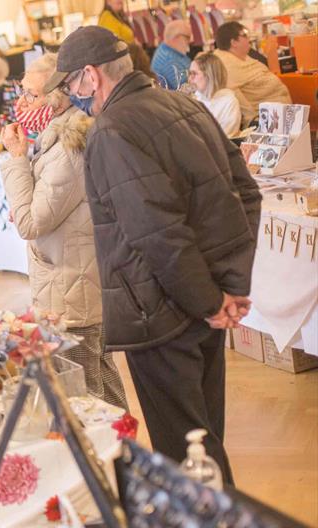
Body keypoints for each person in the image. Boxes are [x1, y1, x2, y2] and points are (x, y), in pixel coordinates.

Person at [45, 26, 261, 483]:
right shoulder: (184, 104)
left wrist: (212, 298)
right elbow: (245, 193)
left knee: (185, 449)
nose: (70, 95)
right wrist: (228, 287)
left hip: (160, 312)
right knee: (202, 440)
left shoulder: (111, 129)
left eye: (69, 85)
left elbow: (159, 232)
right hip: (198, 304)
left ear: (90, 77)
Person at [0, 53, 128, 410]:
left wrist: (15, 159)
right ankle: (127, 455)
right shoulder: (57, 136)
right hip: (72, 277)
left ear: (57, 96)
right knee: (102, 378)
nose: (22, 103)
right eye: (21, 93)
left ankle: (109, 460)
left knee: (86, 396)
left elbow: (30, 222)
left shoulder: (68, 149)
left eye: (30, 94)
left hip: (72, 287)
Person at [213, 21, 291, 124]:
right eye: (245, 35)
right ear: (234, 43)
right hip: (269, 123)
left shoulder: (244, 57)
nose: (249, 38)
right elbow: (243, 107)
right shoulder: (226, 66)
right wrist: (255, 122)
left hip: (283, 115)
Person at [189, 51, 242, 137]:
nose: (190, 78)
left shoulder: (229, 102)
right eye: (190, 73)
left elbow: (225, 138)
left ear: (209, 75)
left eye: (194, 74)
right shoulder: (195, 97)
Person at [151, 20, 192, 90]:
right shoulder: (168, 59)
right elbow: (186, 89)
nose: (190, 41)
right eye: (188, 37)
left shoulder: (168, 49)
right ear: (177, 37)